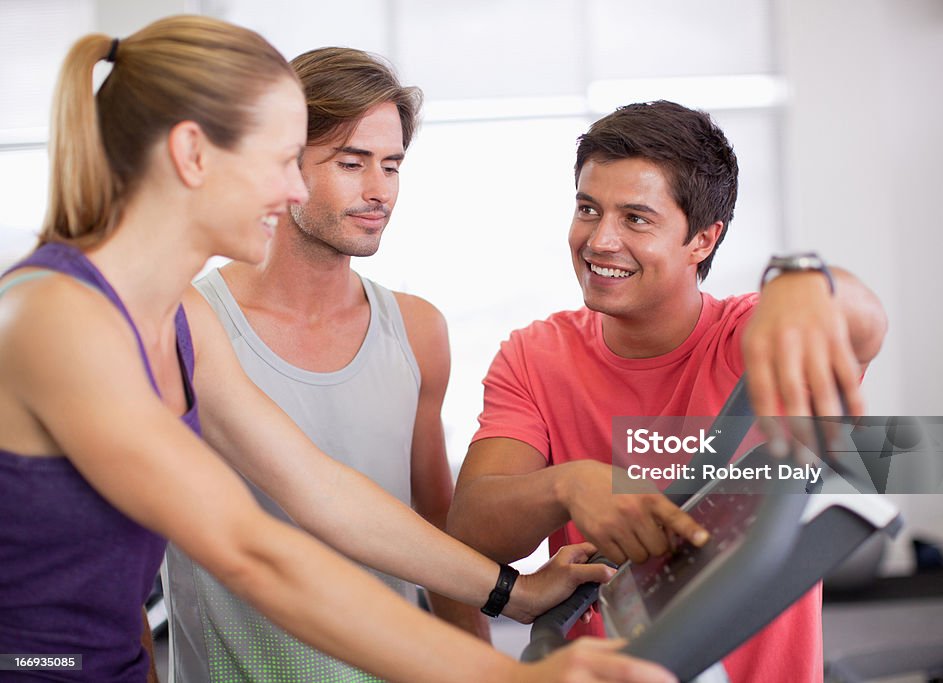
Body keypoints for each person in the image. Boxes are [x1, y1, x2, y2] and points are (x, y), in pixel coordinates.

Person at [0, 17, 682, 683]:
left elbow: (322, 491)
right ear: (192, 153)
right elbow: (250, 548)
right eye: (279, 161)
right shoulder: (56, 318)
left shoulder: (179, 322)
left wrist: (511, 591)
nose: (296, 188)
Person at [447, 101, 889, 682]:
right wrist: (569, 484)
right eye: (588, 209)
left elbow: (861, 323)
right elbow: (473, 529)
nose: (600, 240)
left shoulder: (752, 339)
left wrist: (804, 281)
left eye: (636, 218)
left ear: (703, 239)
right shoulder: (536, 354)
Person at [162, 47, 488, 681]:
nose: (379, 191)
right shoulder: (184, 324)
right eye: (351, 163)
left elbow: (438, 531)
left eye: (391, 166)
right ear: (282, 164)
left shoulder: (418, 330)